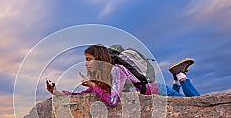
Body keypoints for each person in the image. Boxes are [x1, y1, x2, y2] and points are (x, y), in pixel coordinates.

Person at [46, 44, 200, 108]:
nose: (86, 63)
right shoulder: (101, 78)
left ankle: (180, 75)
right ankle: (176, 78)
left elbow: (113, 101)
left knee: (195, 103)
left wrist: (93, 86)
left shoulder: (116, 71)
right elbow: (81, 95)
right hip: (154, 92)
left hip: (158, 90)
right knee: (181, 100)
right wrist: (56, 92)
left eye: (89, 59)